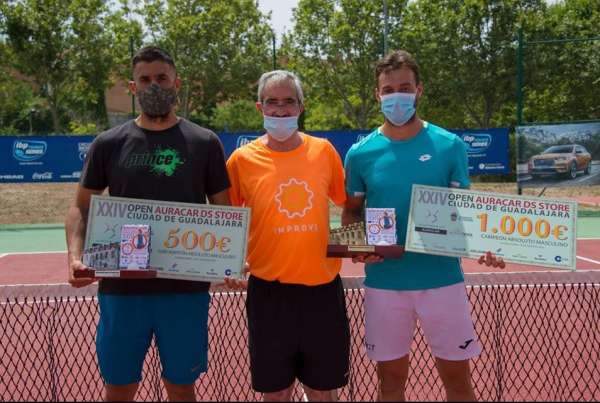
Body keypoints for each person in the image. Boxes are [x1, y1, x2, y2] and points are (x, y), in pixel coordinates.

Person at [65, 46, 230, 402]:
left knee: (181, 387)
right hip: (122, 290)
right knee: (119, 388)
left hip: (185, 290)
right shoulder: (108, 143)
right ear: (132, 87)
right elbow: (81, 207)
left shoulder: (205, 142)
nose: (154, 85)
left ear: (176, 83)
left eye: (161, 78)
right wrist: (75, 257)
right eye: (144, 79)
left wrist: (230, 259)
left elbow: (223, 212)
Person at [342, 50, 503, 402]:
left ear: (419, 90)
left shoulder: (450, 146)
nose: (396, 96)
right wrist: (359, 247)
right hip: (385, 284)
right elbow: (352, 211)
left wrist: (491, 245)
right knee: (390, 384)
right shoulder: (360, 153)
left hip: (442, 281)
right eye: (388, 90)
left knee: (458, 382)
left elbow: (467, 214)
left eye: (404, 88)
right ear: (377, 95)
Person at [225, 70, 350, 401]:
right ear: (260, 107)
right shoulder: (241, 160)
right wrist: (229, 262)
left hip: (322, 292)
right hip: (269, 294)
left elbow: (350, 205)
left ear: (301, 107)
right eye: (272, 102)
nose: (280, 110)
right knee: (276, 393)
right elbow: (227, 219)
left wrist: (363, 245)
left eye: (289, 102)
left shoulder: (324, 151)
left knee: (322, 392)